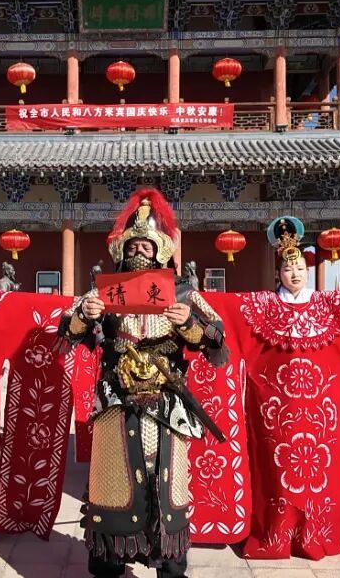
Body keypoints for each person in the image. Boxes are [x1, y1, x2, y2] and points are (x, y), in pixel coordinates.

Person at [59, 188, 227, 578]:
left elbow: (216, 336)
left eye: (146, 245)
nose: (139, 250)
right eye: (133, 244)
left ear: (160, 251)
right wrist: (86, 314)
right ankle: (108, 564)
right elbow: (67, 330)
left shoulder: (183, 292)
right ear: (123, 249)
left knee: (167, 486)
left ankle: (171, 568)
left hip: (168, 403)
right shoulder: (104, 291)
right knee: (113, 484)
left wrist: (188, 322)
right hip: (116, 401)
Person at [269, 217, 312, 303]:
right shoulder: (267, 301)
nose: (295, 275)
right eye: (288, 269)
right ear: (277, 273)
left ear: (307, 271)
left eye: (300, 269)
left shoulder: (322, 299)